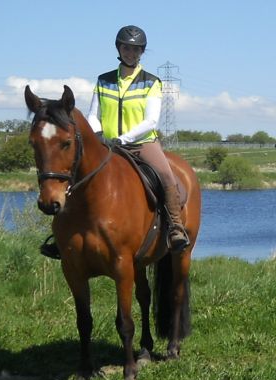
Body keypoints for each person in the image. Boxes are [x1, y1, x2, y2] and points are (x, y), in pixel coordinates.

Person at [41, 25, 189, 259]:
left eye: (136, 49)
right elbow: (92, 114)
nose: (131, 53)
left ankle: (175, 228)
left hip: (142, 144)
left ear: (142, 52)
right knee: (74, 176)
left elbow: (151, 120)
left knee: (166, 176)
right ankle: (63, 234)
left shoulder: (151, 82)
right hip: (107, 144)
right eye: (126, 48)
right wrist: (98, 134)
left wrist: (124, 138)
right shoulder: (104, 81)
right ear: (119, 49)